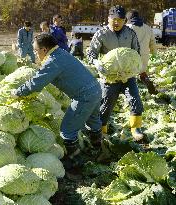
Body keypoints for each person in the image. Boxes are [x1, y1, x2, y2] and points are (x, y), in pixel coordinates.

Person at [12, 33, 102, 174]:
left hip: (84, 96)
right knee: (93, 121)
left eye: (36, 51)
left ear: (44, 49)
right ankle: (99, 151)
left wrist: (18, 92)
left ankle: (76, 161)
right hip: (95, 89)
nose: (35, 54)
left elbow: (36, 83)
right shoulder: (61, 53)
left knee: (67, 130)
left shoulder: (53, 60)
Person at [87, 5, 144, 141]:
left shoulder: (130, 33)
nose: (117, 22)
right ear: (108, 19)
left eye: (120, 19)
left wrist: (133, 69)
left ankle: (136, 129)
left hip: (128, 75)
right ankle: (102, 130)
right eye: (114, 19)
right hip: (109, 76)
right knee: (106, 104)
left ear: (125, 20)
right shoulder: (101, 34)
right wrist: (96, 63)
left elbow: (137, 52)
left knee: (135, 99)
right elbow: (91, 54)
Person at [126, 9, 158, 94]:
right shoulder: (147, 28)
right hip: (144, 55)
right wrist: (154, 54)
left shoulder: (127, 28)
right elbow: (152, 43)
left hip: (131, 55)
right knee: (142, 73)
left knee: (128, 75)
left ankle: (131, 92)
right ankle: (148, 84)